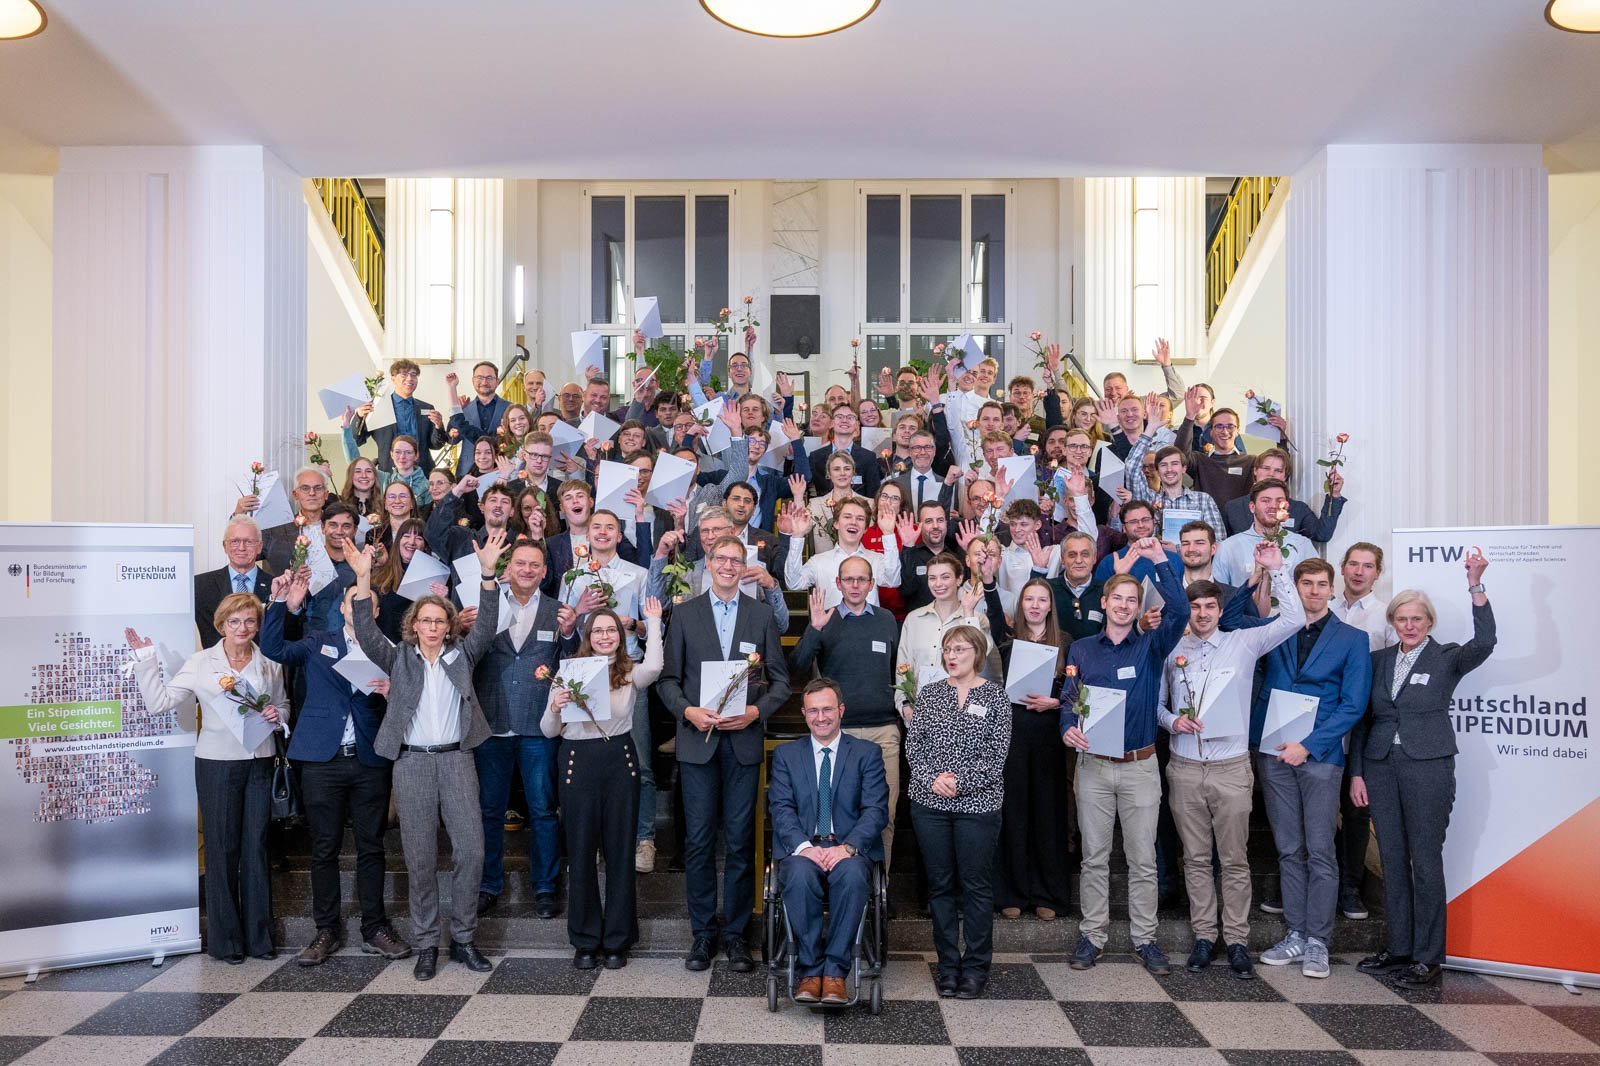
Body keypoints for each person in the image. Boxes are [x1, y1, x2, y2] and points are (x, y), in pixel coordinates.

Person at [346, 531, 508, 981]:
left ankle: (463, 938)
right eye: (427, 621)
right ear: (414, 625)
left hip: (457, 761)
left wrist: (489, 575)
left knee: (472, 851)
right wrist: (363, 579)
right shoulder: (398, 658)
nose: (434, 627)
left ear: (449, 626)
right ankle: (426, 945)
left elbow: (489, 624)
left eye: (441, 621)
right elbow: (364, 632)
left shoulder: (463, 655)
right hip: (412, 764)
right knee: (418, 857)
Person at [1157, 545, 1302, 981]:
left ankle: (1236, 939)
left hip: (1230, 767)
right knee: (1196, 858)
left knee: (1234, 859)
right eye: (1196, 606)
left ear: (1221, 610)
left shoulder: (1244, 641)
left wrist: (1278, 570)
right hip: (1184, 767)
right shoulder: (1171, 648)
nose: (1202, 613)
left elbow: (1293, 620)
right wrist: (1172, 723)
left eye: (1209, 606)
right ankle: (1205, 935)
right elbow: (1157, 706)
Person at [1351, 549, 1494, 988]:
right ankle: (1400, 949)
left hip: (1428, 767)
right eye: (1401, 619)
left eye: (1416, 618)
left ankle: (1429, 958)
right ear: (1392, 623)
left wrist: (1476, 584)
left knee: (1425, 861)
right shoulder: (1379, 662)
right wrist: (1357, 772)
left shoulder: (1447, 657)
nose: (1409, 625)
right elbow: (1364, 720)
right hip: (1381, 767)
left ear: (1428, 621)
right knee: (1392, 861)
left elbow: (1485, 643)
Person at [260, 575, 411, 966]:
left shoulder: (390, 650)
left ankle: (375, 927)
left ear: (374, 611)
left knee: (371, 846)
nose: (357, 606)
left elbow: (409, 708)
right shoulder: (317, 640)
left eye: (366, 602)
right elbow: (274, 648)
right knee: (323, 848)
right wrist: (283, 605)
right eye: (351, 601)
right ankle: (325, 929)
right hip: (322, 759)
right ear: (343, 608)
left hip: (369, 759)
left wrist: (392, 693)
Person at [126, 594, 286, 963]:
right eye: (234, 622)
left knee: (256, 848)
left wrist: (280, 715)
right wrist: (147, 661)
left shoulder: (269, 664)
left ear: (258, 625)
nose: (242, 629)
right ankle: (227, 941)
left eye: (249, 621)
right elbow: (159, 702)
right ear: (221, 625)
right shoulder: (201, 663)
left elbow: (284, 704)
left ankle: (259, 939)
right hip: (217, 764)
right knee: (222, 849)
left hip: (260, 761)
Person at [657, 535, 792, 973]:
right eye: (722, 559)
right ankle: (702, 934)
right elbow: (667, 681)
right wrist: (688, 712)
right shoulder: (684, 614)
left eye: (737, 560)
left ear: (744, 566)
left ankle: (735, 935)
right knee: (697, 843)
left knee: (739, 842)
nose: (729, 566)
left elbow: (782, 683)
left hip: (743, 743)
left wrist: (755, 711)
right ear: (708, 564)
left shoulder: (760, 615)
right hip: (697, 743)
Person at [1060, 538, 1190, 975]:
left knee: (1142, 859)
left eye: (1131, 600)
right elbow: (1069, 699)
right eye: (1117, 597)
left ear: (1138, 607)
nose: (1123, 605)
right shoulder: (1082, 650)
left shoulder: (1151, 646)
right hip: (1093, 768)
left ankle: (1145, 939)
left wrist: (1158, 561)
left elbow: (1183, 611)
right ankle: (1092, 936)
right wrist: (1068, 729)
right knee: (1094, 857)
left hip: (1140, 766)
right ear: (1105, 601)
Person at [1252, 557, 1373, 980]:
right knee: (1289, 848)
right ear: (1297, 586)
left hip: (1320, 756)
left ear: (1332, 588)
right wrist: (1267, 573)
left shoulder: (1352, 639)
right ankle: (1296, 934)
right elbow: (1235, 621)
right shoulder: (1277, 629)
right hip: (1273, 751)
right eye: (1307, 583)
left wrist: (1309, 745)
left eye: (1322, 584)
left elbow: (1354, 704)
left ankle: (1318, 941)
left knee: (1320, 850)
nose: (1315, 591)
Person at [544, 599, 665, 970]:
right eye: (597, 630)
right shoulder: (569, 673)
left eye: (611, 630)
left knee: (619, 852)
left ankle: (617, 939)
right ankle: (584, 940)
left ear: (620, 635)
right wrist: (555, 707)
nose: (605, 636)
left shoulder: (629, 672)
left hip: (619, 761)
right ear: (587, 636)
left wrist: (654, 622)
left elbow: (657, 666)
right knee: (580, 854)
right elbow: (547, 731)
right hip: (578, 762)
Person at [473, 539, 582, 921]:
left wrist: (570, 635)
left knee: (542, 810)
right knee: (489, 811)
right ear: (509, 567)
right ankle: (488, 885)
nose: (528, 570)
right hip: (491, 723)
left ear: (544, 571)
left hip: (538, 725)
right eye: (521, 563)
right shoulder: (486, 604)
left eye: (535, 565)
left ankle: (546, 887)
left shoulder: (558, 611)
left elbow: (573, 664)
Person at [767, 679, 890, 1005]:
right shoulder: (786, 755)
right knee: (799, 875)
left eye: (827, 709)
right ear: (804, 713)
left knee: (851, 876)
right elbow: (780, 809)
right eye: (813, 710)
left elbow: (876, 810)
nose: (820, 717)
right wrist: (805, 848)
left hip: (848, 847)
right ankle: (809, 971)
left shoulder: (866, 753)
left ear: (841, 710)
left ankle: (835, 972)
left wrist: (847, 847)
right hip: (803, 848)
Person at [906, 625, 1013, 999]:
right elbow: (913, 746)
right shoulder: (931, 695)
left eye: (961, 649)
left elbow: (996, 756)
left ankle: (976, 967)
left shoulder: (997, 699)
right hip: (930, 804)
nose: (953, 656)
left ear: (978, 654)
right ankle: (948, 965)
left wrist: (959, 783)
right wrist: (932, 778)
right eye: (949, 649)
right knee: (940, 887)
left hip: (978, 806)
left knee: (976, 888)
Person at [790, 558, 902, 864]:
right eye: (848, 580)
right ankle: (845, 887)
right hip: (838, 734)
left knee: (884, 815)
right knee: (839, 817)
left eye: (861, 579)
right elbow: (797, 668)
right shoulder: (825, 619)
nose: (855, 585)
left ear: (871, 583)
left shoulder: (886, 620)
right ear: (838, 584)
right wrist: (813, 629)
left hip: (883, 730)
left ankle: (879, 890)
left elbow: (898, 673)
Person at [990, 578, 1072, 921]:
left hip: (1050, 739)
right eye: (1029, 600)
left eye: (1042, 600)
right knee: (1014, 813)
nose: (1035, 605)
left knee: (1048, 815)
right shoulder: (1008, 643)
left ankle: (1048, 894)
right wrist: (991, 582)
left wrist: (1058, 701)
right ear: (1020, 606)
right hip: (1014, 738)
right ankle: (1012, 892)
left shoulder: (1066, 643)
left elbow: (1078, 691)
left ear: (1051, 606)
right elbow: (994, 618)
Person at [1329, 540, 1396, 920]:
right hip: (1324, 724)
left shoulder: (1385, 617)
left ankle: (1350, 888)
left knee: (1356, 811)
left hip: (1364, 726)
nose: (1358, 571)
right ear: (1342, 568)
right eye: (1352, 564)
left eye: (1367, 566)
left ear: (1377, 573)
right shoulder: (1326, 609)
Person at [896, 552, 994, 717]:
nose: (938, 584)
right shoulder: (913, 619)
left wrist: (968, 612)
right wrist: (904, 704)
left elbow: (981, 660)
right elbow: (903, 666)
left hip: (961, 714)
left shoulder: (976, 618)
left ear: (959, 579)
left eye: (945, 577)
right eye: (932, 578)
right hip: (920, 713)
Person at [782, 497, 902, 609]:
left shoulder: (876, 559)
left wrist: (888, 533)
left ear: (866, 528)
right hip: (831, 629)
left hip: (868, 629)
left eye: (860, 518)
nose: (853, 522)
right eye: (847, 517)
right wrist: (797, 536)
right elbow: (794, 583)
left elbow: (893, 581)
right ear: (836, 523)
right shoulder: (818, 561)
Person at [1220, 448, 1346, 541]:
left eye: (1278, 470)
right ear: (1255, 471)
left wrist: (1334, 495)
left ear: (1285, 476)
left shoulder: (1299, 509)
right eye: (1266, 468)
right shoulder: (1232, 507)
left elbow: (1322, 535)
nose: (1271, 474)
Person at [1212, 480, 1316, 586]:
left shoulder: (1303, 545)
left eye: (1279, 501)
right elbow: (1218, 594)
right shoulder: (1228, 548)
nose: (1273, 506)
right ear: (1252, 507)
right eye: (1266, 501)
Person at [354, 359, 448, 474]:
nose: (409, 379)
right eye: (404, 374)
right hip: (390, 474)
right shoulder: (378, 407)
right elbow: (356, 441)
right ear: (393, 379)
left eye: (413, 375)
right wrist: (359, 416)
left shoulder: (426, 407)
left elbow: (436, 445)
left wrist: (439, 426)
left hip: (422, 473)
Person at [196, 517, 271, 648]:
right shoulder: (200, 585)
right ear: (225, 546)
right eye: (235, 541)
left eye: (248, 542)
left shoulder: (275, 586)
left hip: (263, 665)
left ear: (259, 547)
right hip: (216, 665)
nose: (241, 548)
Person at [447, 361, 510, 475]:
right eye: (480, 377)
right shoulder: (463, 408)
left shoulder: (510, 408)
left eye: (489, 378)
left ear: (497, 381)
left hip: (501, 472)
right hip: (467, 472)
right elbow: (453, 439)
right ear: (473, 381)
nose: (484, 382)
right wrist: (458, 408)